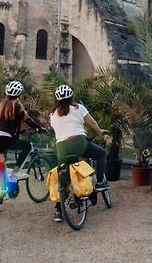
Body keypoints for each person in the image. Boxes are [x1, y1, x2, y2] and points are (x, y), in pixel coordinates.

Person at [50, 84, 109, 222]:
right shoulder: (78, 108)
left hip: (62, 148)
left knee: (63, 177)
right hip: (79, 144)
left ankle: (59, 210)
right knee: (101, 154)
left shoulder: (52, 114)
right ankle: (100, 183)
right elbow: (93, 123)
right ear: (71, 97)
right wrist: (100, 132)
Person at [0, 80, 46, 181]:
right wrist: (39, 128)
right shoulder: (16, 106)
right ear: (19, 94)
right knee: (27, 146)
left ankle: (2, 186)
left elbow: (3, 123)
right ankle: (16, 172)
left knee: (1, 159)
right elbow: (28, 120)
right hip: (5, 139)